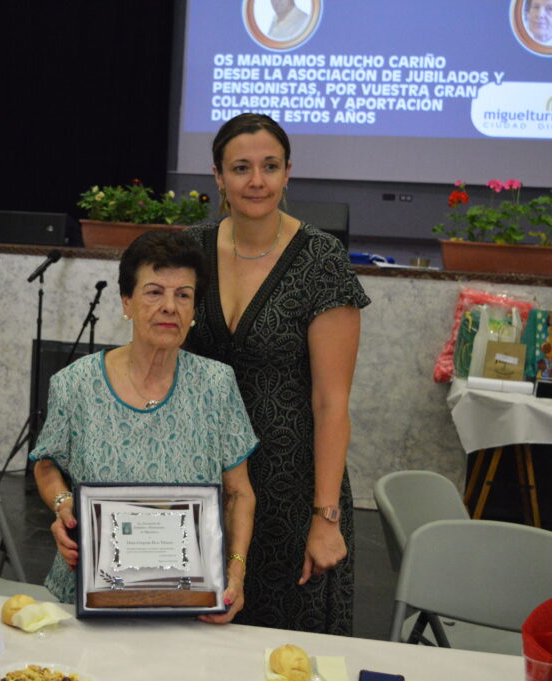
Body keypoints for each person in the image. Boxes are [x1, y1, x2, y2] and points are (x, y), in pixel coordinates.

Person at [184, 113, 369, 634]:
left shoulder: (321, 260)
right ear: (218, 176)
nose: (256, 181)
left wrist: (325, 517)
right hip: (205, 479)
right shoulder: (189, 250)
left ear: (288, 173)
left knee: (286, 646)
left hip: (294, 489)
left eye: (270, 166)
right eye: (241, 168)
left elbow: (332, 404)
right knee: (194, 638)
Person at [31, 230, 258, 625]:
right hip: (87, 596)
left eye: (183, 295)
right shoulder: (75, 383)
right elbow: (46, 463)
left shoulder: (217, 386)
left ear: (193, 309)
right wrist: (63, 507)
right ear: (127, 302)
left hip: (188, 600)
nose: (170, 307)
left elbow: (239, 494)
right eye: (154, 292)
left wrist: (235, 572)